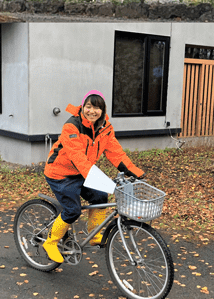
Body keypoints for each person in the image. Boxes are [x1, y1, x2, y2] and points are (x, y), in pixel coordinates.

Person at [42, 90, 145, 263]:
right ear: (83, 107)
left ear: (103, 111)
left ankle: (93, 233)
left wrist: (136, 172)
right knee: (72, 210)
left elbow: (116, 153)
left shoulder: (105, 128)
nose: (92, 111)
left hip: (82, 172)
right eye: (89, 106)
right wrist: (97, 177)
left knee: (100, 196)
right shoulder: (72, 127)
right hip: (60, 173)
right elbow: (77, 157)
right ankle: (51, 242)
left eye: (97, 108)